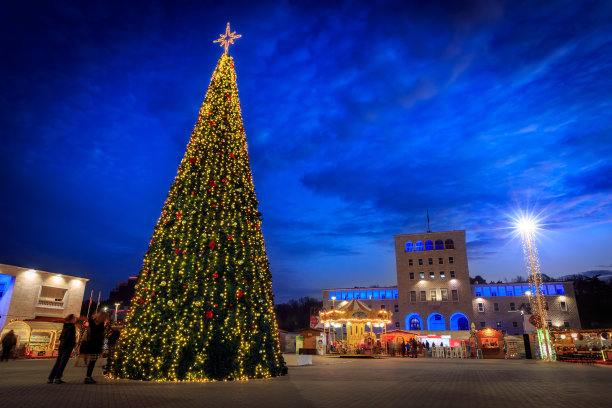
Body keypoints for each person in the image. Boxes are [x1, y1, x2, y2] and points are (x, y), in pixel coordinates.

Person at [47, 314, 77, 383]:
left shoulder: (65, 325)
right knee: (63, 362)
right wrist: (73, 344)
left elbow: (61, 336)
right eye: (75, 318)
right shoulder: (72, 326)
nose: (76, 319)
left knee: (58, 361)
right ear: (72, 319)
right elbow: (70, 337)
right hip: (68, 345)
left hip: (62, 345)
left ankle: (51, 377)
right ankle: (57, 377)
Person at [81, 311, 108, 384]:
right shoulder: (100, 325)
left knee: (92, 361)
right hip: (95, 344)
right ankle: (88, 377)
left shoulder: (91, 322)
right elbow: (100, 334)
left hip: (91, 343)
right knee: (92, 361)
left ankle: (88, 376)